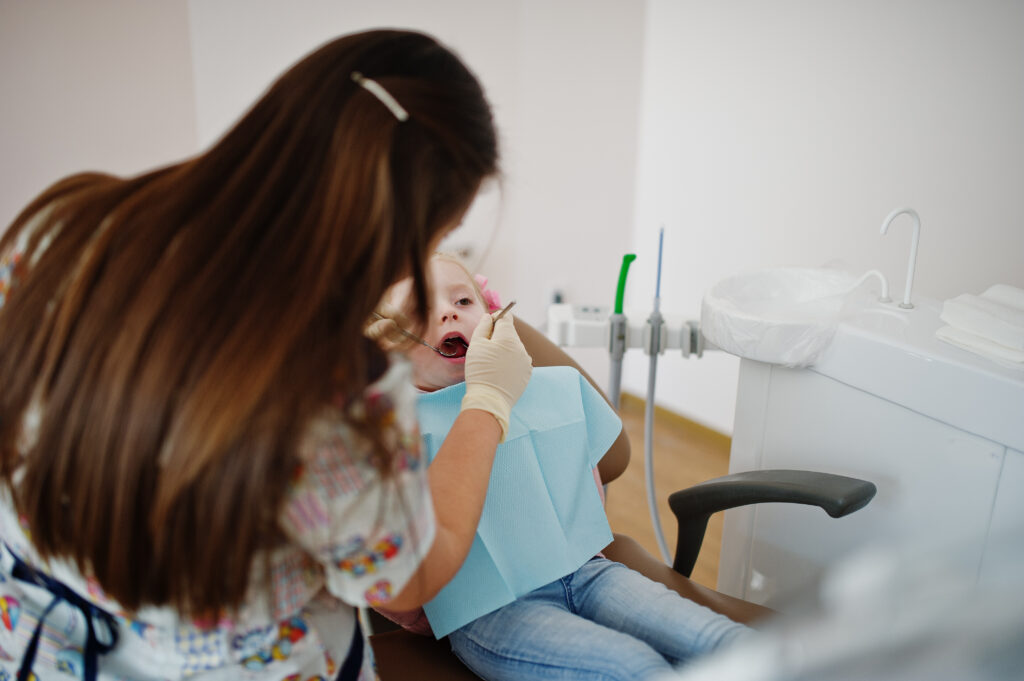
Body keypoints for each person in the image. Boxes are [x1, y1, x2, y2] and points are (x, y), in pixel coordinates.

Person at [0, 29, 534, 681]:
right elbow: (406, 578)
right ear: (401, 224)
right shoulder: (337, 388)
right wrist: (488, 401)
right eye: (437, 233)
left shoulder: (60, 227)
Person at [376, 253, 751, 681]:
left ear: (494, 318)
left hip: (589, 573)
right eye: (422, 312)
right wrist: (434, 613)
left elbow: (585, 480)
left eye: (463, 302)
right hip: (491, 610)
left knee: (721, 642)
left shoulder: (547, 391)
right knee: (633, 668)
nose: (447, 312)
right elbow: (390, 574)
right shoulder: (387, 434)